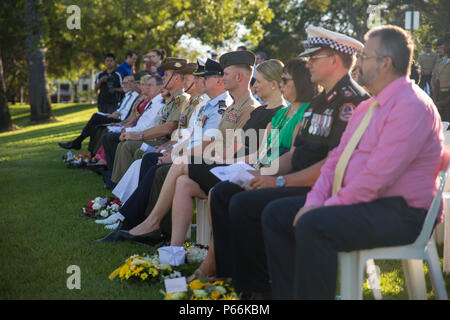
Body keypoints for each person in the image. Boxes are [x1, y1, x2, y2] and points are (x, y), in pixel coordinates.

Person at [263, 24, 444, 300]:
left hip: (402, 212)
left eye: (366, 57)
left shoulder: (411, 105)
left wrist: (323, 207)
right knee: (276, 214)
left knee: (314, 225)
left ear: (386, 63)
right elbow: (335, 161)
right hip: (369, 203)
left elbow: (376, 179)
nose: (358, 62)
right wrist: (313, 202)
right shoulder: (367, 107)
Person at [209, 26, 369, 298]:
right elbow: (296, 154)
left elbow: (332, 165)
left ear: (334, 59)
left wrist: (278, 181)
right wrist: (259, 172)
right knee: (226, 192)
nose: (307, 63)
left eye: (313, 57)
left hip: (320, 187)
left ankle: (261, 288)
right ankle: (241, 280)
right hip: (298, 178)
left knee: (246, 204)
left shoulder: (350, 102)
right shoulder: (320, 101)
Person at [116, 51, 260, 245]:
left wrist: (179, 155)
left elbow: (234, 149)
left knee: (173, 166)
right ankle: (172, 248)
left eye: (225, 74)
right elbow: (199, 138)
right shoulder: (232, 106)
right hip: (214, 160)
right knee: (179, 178)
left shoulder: (248, 108)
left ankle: (152, 224)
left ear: (239, 77)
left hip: (227, 166)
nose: (222, 77)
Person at [110, 58, 190, 183]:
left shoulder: (181, 99)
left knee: (129, 146)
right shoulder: (172, 99)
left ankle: (125, 188)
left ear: (176, 78)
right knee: (127, 145)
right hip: (164, 141)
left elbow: (168, 128)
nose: (163, 77)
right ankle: (123, 188)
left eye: (166, 74)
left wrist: (138, 135)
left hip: (168, 142)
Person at [101, 75, 165, 175]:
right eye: (145, 85)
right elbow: (136, 119)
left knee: (119, 142)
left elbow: (148, 126)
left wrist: (128, 131)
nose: (147, 87)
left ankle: (116, 175)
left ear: (160, 87)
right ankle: (113, 172)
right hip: (137, 130)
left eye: (150, 85)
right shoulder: (151, 102)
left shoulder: (160, 103)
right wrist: (126, 129)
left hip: (146, 135)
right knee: (108, 137)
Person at [57, 74, 139, 151]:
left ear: (134, 83)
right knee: (95, 124)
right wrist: (113, 114)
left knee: (96, 119)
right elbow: (120, 110)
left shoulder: (135, 96)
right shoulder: (127, 95)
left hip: (121, 121)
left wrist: (117, 116)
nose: (124, 85)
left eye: (128, 82)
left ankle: (79, 142)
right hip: (116, 117)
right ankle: (88, 150)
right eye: (123, 83)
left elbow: (129, 114)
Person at [434, 34, 450, 121]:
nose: (445, 46)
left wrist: (444, 102)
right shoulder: (442, 61)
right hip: (441, 96)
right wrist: (436, 101)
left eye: (447, 44)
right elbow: (438, 81)